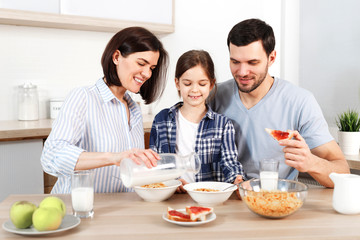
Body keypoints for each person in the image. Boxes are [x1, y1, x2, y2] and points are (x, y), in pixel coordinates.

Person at [210, 18, 350, 188]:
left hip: (277, 203)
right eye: (235, 62)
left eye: (253, 62)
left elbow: (343, 171)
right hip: (223, 202)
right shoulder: (213, 96)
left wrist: (311, 163)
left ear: (272, 58)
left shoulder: (300, 102)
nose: (242, 72)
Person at [41, 27, 168, 194]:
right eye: (141, 63)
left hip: (119, 210)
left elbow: (131, 169)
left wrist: (167, 178)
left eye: (151, 68)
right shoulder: (83, 97)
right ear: (116, 57)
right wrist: (113, 158)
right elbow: (52, 156)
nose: (147, 74)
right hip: (77, 209)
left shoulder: (134, 109)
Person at [149, 50, 244, 192]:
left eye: (202, 84)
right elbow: (155, 163)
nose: (194, 90)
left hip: (209, 198)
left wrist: (237, 178)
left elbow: (229, 163)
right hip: (172, 195)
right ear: (177, 83)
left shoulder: (223, 125)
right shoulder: (162, 120)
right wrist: (171, 181)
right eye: (187, 83)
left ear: (211, 84)